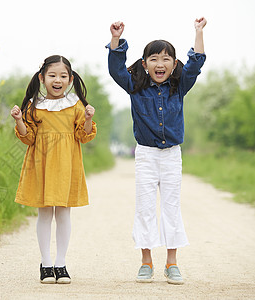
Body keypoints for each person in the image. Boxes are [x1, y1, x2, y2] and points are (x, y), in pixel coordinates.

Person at [105, 17, 207, 285]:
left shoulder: (179, 87)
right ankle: (146, 262)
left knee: (171, 207)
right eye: (153, 59)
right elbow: (116, 70)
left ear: (174, 65)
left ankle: (172, 262)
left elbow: (196, 64)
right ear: (144, 64)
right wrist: (116, 40)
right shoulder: (135, 88)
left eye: (165, 59)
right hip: (146, 155)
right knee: (146, 207)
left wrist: (198, 32)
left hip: (172, 155)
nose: (159, 64)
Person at [10, 55, 97, 284]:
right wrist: (19, 119)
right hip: (42, 165)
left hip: (67, 165)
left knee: (64, 213)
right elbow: (28, 138)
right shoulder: (34, 106)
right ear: (42, 78)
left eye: (62, 76)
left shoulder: (76, 105)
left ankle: (61, 262)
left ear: (70, 80)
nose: (57, 80)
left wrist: (88, 118)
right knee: (45, 213)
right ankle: (46, 263)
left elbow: (83, 135)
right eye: (52, 75)